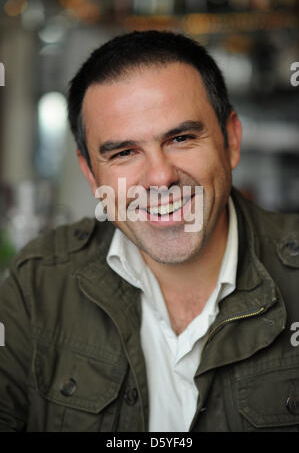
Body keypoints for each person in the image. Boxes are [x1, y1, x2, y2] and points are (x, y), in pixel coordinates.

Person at [1, 30, 299, 433]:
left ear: (230, 140)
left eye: (181, 138)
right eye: (124, 152)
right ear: (91, 173)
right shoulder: (37, 285)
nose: (160, 178)